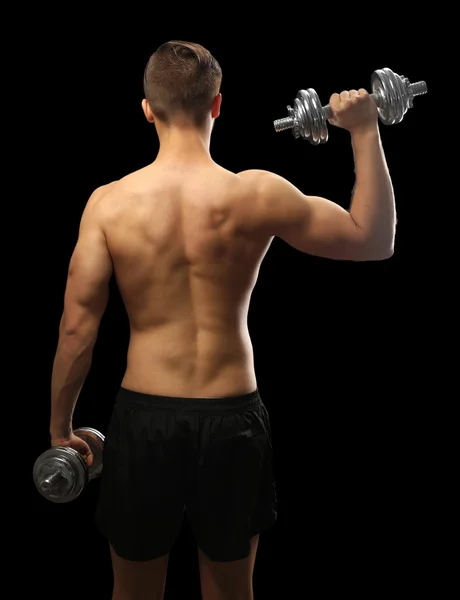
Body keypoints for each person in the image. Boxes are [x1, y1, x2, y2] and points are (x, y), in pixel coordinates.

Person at [48, 40, 396, 600]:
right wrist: (364, 130)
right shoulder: (256, 193)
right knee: (232, 591)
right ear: (216, 106)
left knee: (132, 592)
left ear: (146, 109)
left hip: (145, 418)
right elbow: (373, 241)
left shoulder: (108, 204)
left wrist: (60, 427)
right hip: (233, 418)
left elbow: (76, 330)